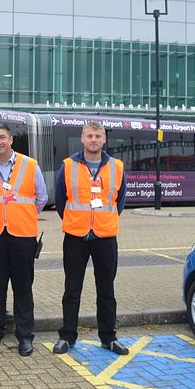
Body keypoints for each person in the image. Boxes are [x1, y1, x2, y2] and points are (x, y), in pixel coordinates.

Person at [53, 121, 129, 356]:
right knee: (71, 289)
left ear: (104, 139)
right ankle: (67, 336)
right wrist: (79, 221)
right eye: (90, 136)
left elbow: (120, 201)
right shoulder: (68, 166)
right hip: (76, 236)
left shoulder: (117, 166)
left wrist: (102, 221)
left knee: (106, 289)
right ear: (82, 139)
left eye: (98, 136)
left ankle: (109, 337)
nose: (94, 140)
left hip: (105, 237)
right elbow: (60, 201)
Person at [0, 123, 47, 356]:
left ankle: (25, 336)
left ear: (11, 139)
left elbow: (42, 198)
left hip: (23, 235)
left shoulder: (30, 165)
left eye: (2, 137)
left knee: (23, 287)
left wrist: (23, 217)